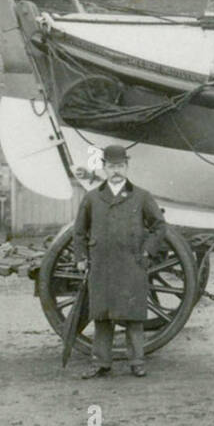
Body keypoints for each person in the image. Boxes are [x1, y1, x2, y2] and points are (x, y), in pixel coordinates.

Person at [72, 145, 165, 378]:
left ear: (127, 167)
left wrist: (146, 253)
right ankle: (101, 362)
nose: (116, 171)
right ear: (103, 167)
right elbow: (79, 231)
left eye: (121, 166)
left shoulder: (142, 196)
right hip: (101, 266)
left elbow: (159, 226)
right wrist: (82, 258)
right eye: (112, 166)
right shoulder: (92, 198)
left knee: (133, 315)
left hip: (131, 264)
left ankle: (137, 362)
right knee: (101, 315)